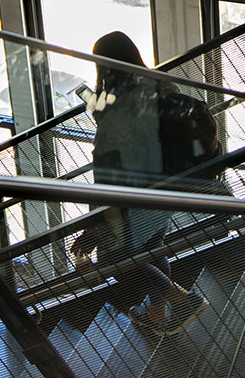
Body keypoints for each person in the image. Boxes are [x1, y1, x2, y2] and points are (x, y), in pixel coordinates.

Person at [69, 31, 208, 336]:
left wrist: (95, 222)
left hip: (133, 194)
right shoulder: (158, 81)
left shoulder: (114, 105)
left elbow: (107, 169)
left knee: (113, 257)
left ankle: (183, 300)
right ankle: (157, 314)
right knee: (154, 247)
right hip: (167, 183)